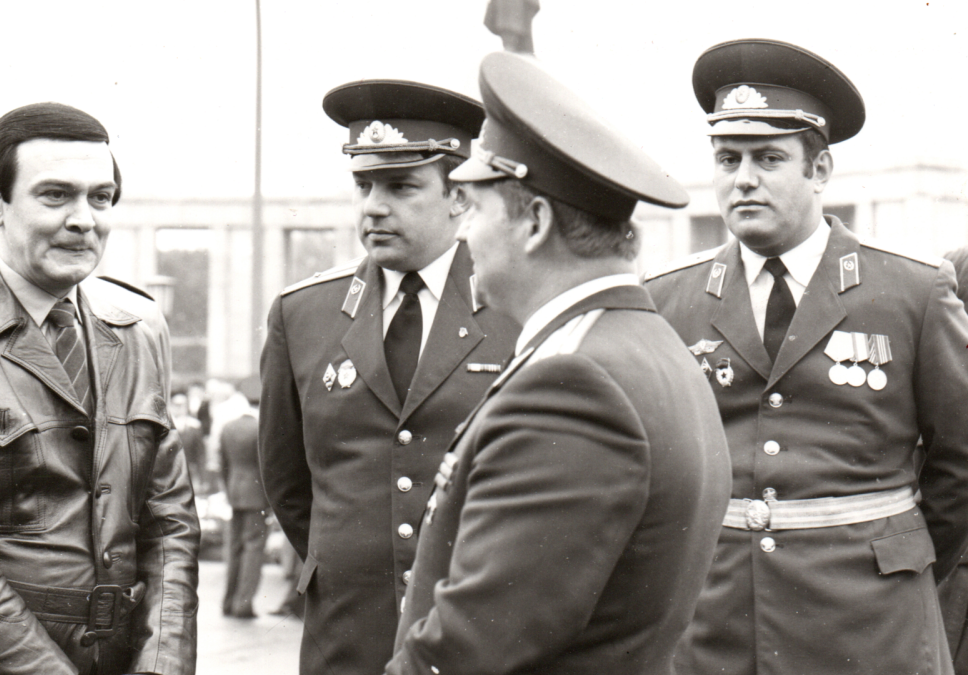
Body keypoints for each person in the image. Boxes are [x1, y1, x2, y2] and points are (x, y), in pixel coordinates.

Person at [386, 51, 731, 675]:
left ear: (536, 223)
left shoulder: (572, 382)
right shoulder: (648, 347)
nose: (462, 234)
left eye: (476, 209)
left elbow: (471, 647)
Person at [644, 39, 968, 674]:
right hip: (716, 624)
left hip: (869, 622)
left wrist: (901, 558)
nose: (743, 179)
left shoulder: (912, 290)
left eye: (768, 158)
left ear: (819, 170)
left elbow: (960, 460)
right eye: (727, 159)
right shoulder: (668, 297)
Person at [0, 102, 198, 675]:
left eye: (101, 197)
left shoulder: (136, 334)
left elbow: (170, 524)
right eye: (55, 196)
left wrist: (161, 665)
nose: (84, 220)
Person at [259, 80, 521, 674]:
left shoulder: (515, 306)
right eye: (364, 186)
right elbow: (287, 480)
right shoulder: (304, 314)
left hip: (478, 636)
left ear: (459, 196)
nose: (373, 207)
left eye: (401, 187)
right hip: (347, 635)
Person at [219, 375, 267, 619]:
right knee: (253, 549)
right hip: (256, 496)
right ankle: (243, 603)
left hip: (234, 492)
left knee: (235, 548)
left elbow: (223, 464)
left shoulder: (229, 427)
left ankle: (228, 601)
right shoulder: (261, 429)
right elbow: (266, 468)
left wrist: (229, 491)